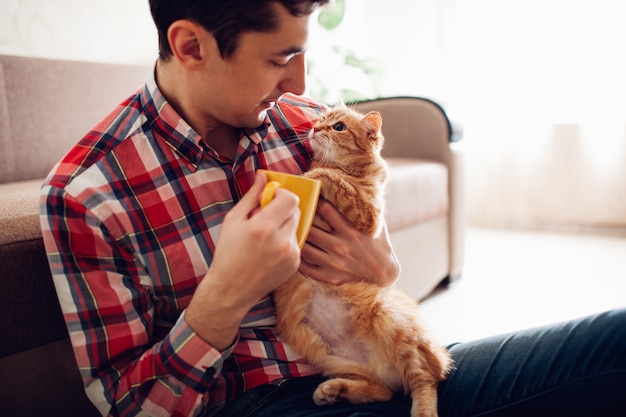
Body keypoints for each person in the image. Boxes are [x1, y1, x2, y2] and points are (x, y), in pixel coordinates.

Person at [39, 1, 625, 416]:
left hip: (383, 367)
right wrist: (222, 297)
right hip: (255, 400)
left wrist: (383, 267)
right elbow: (132, 407)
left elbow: (381, 264)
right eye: (280, 58)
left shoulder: (303, 126)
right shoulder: (88, 195)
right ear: (190, 46)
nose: (299, 82)